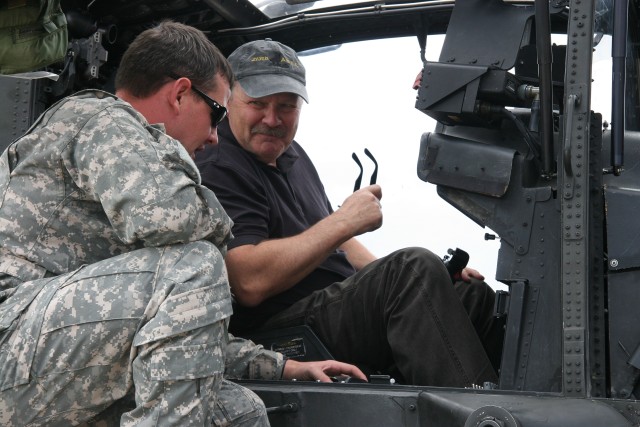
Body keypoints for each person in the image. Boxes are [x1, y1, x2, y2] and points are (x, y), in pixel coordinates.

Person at [0, 23, 364, 427]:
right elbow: (176, 222)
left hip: (56, 354)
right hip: (11, 347)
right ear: (179, 94)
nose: (213, 137)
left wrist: (284, 368)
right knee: (196, 264)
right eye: (216, 114)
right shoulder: (100, 118)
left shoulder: (135, 180)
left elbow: (184, 324)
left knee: (240, 411)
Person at [195, 39, 503, 387]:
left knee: (468, 295)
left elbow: (332, 239)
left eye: (286, 106)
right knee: (411, 270)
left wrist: (431, 284)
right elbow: (249, 283)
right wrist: (345, 221)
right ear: (230, 98)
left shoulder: (289, 153)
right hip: (279, 334)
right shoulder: (220, 163)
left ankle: (520, 401)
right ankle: (484, 416)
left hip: (328, 309)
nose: (272, 119)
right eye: (258, 104)